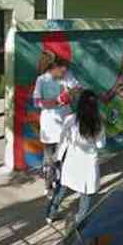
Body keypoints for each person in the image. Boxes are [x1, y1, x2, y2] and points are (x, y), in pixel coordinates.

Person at [46, 89, 105, 225]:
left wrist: (57, 158)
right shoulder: (99, 122)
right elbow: (101, 145)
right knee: (86, 194)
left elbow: (63, 142)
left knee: (61, 189)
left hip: (72, 163)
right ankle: (80, 221)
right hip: (89, 165)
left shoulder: (70, 119)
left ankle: (50, 215)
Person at [33, 51, 79, 197]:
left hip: (66, 125)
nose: (65, 73)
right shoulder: (42, 80)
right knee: (49, 159)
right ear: (54, 68)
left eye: (66, 70)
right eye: (63, 70)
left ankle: (66, 183)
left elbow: (78, 88)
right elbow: (37, 101)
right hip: (49, 126)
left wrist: (70, 94)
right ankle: (48, 186)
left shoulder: (67, 75)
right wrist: (57, 101)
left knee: (66, 156)